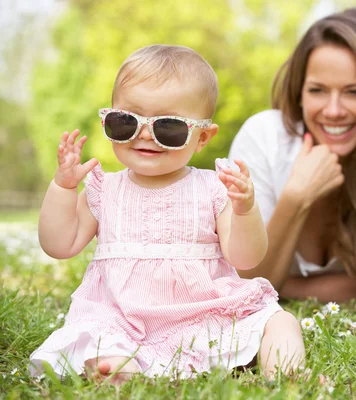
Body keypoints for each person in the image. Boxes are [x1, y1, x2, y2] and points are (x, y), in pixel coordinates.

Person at [29, 45, 305, 383]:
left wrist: (245, 209)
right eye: (125, 122)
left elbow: (245, 257)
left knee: (279, 321)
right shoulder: (104, 189)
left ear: (202, 137)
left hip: (203, 312)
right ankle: (120, 371)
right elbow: (59, 244)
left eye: (169, 128)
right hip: (121, 316)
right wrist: (63, 189)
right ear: (108, 121)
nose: (144, 134)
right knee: (103, 345)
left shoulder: (214, 187)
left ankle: (286, 376)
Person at [228, 7, 356, 302]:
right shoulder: (266, 139)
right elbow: (246, 288)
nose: (333, 111)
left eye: (355, 92)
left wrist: (288, 288)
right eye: (317, 90)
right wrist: (296, 198)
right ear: (299, 93)